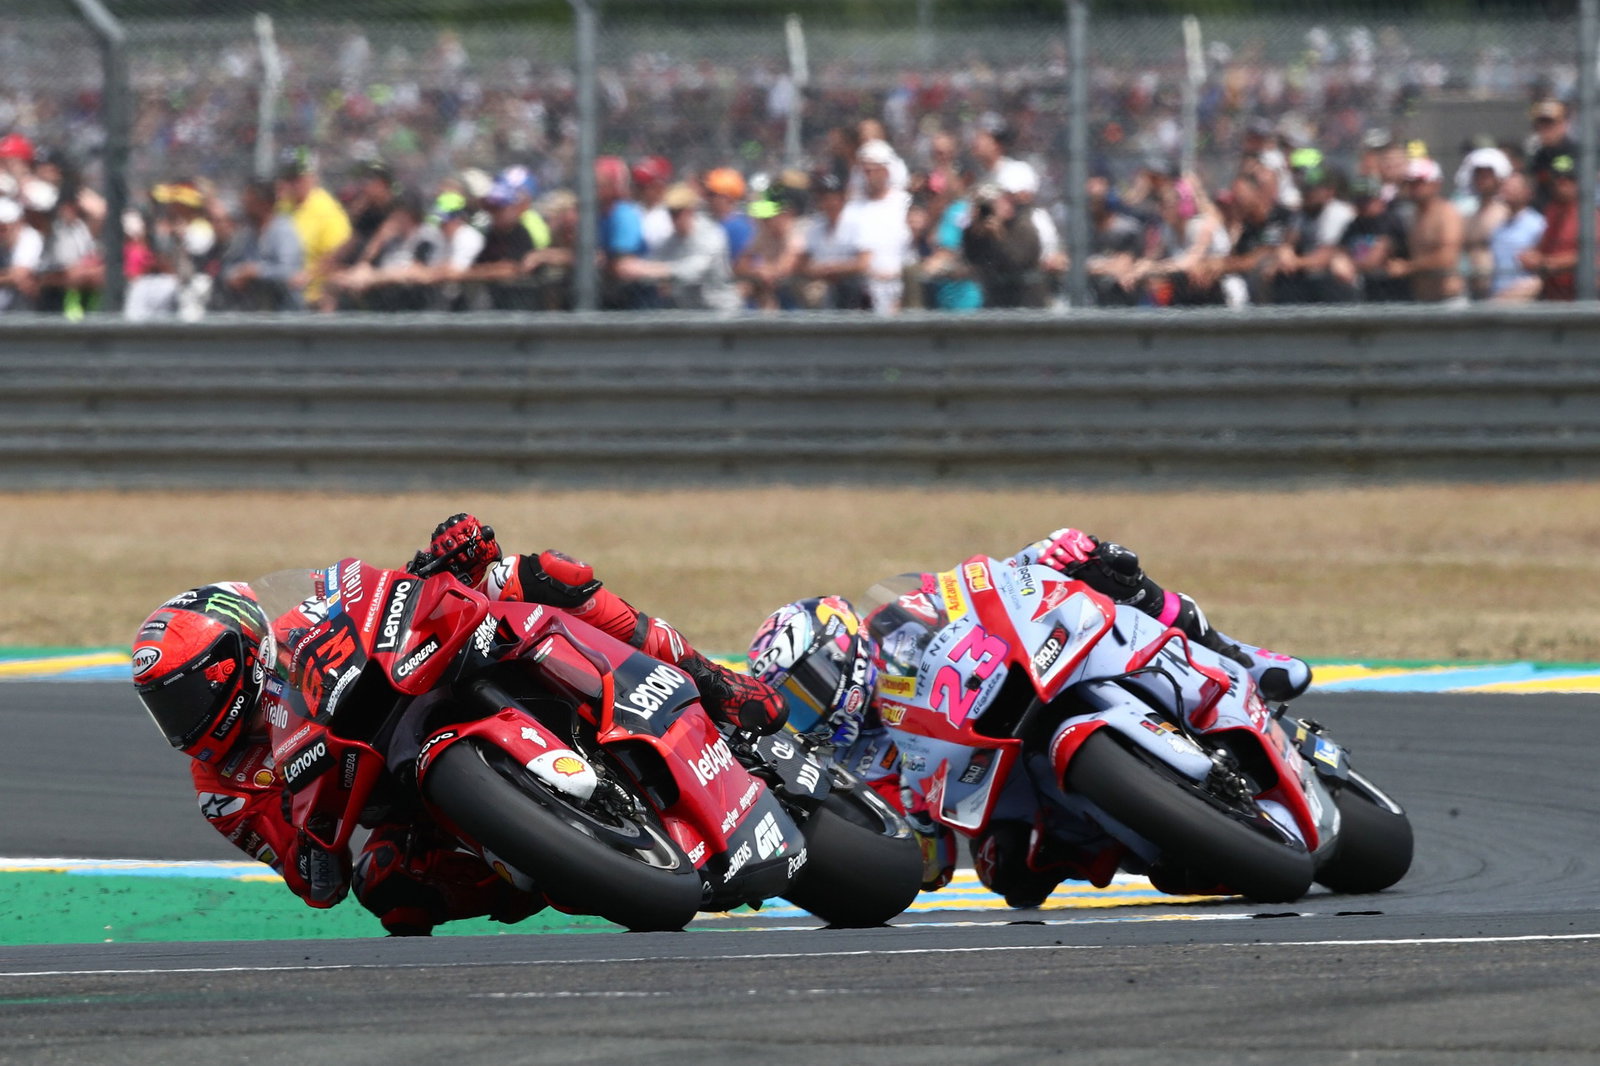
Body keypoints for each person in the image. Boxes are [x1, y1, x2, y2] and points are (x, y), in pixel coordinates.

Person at [130, 514, 785, 937]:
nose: (180, 721)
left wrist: (448, 561)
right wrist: (314, 834)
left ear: (236, 659)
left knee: (546, 575)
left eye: (183, 697)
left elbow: (386, 600)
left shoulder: (301, 623)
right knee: (389, 889)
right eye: (164, 705)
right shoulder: (223, 787)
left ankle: (714, 682)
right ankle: (533, 862)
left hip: (431, 678)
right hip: (396, 789)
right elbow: (316, 883)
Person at [746, 528, 1312, 905]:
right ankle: (1161, 841)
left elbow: (976, 583)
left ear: (841, 643)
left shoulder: (900, 620)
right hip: (997, 772)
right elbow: (930, 867)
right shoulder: (854, 761)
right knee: (1009, 873)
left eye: (811, 685)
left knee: (1106, 569)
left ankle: (1238, 657)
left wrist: (1044, 557)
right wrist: (918, 823)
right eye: (795, 703)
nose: (811, 706)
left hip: (1031, 672)